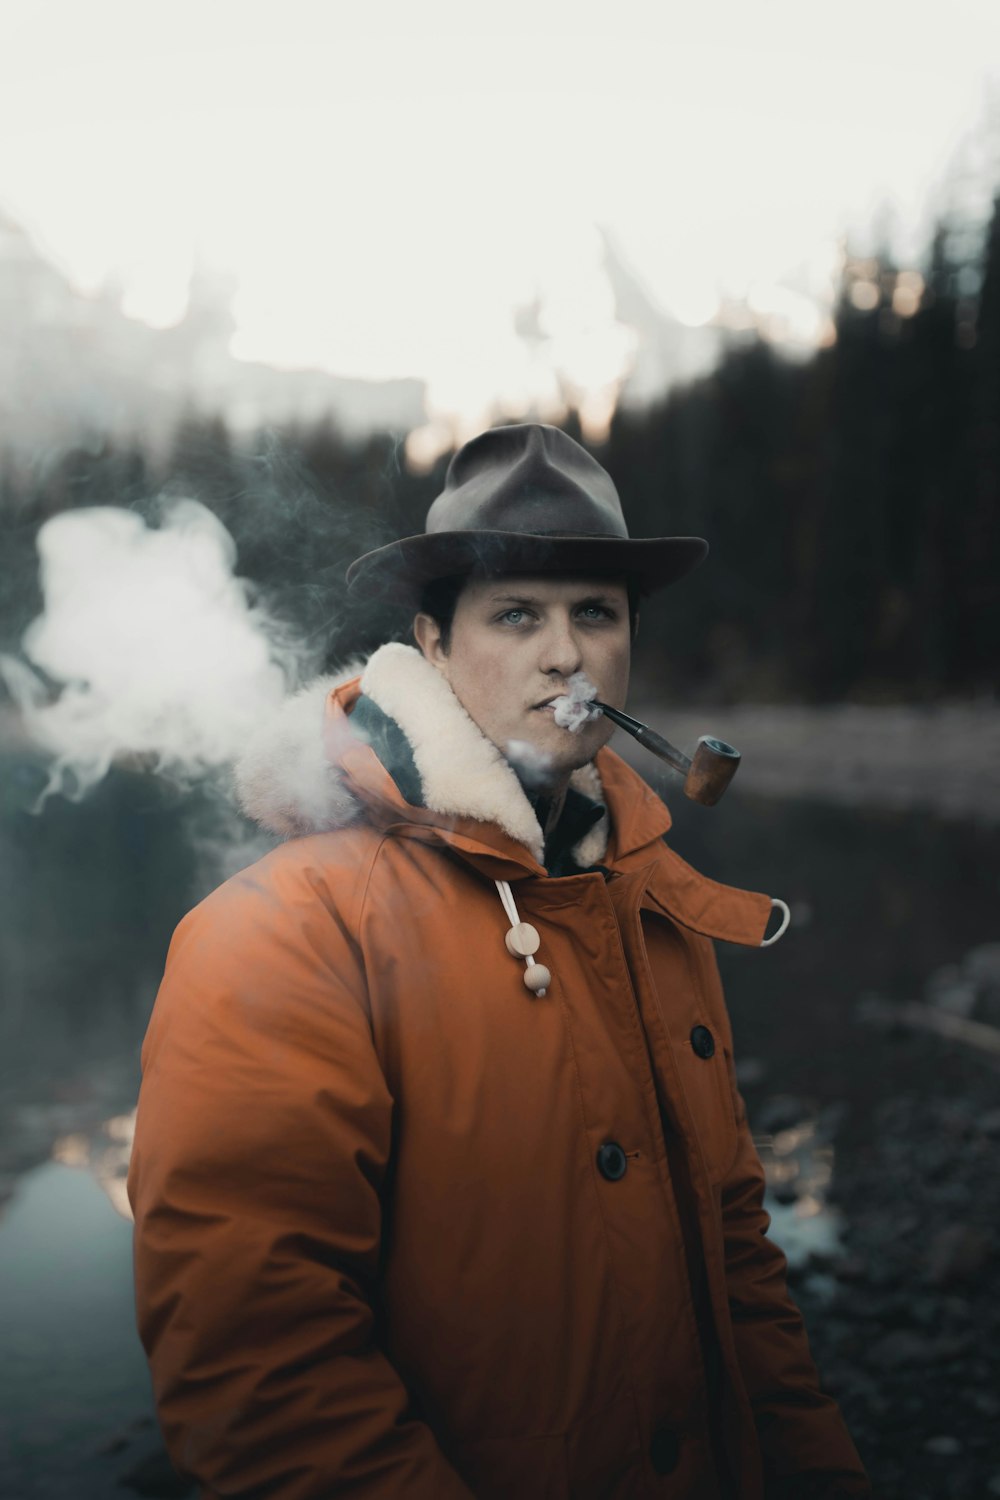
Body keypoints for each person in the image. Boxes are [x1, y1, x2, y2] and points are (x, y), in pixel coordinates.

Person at [128, 424, 870, 1498]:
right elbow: (261, 1376)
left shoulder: (646, 899)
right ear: (430, 645)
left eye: (595, 616)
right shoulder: (284, 931)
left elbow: (735, 1252)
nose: (565, 654)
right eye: (516, 614)